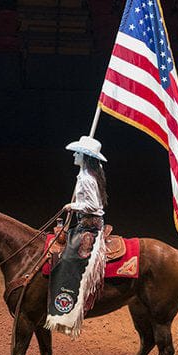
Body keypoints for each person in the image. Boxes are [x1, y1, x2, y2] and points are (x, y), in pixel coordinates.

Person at [45, 135, 109, 337]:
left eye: (77, 153)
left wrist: (72, 205)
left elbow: (93, 206)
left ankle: (68, 305)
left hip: (89, 226)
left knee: (70, 259)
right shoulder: (89, 174)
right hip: (84, 223)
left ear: (84, 156)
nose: (74, 155)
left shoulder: (87, 178)